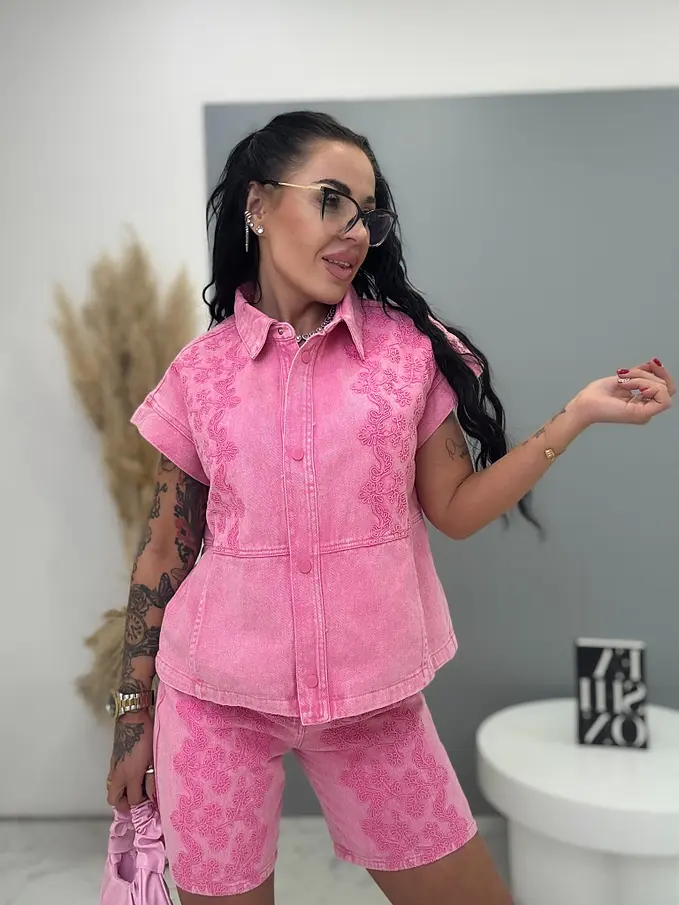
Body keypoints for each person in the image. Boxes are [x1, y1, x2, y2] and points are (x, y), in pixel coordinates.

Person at [105, 111, 674, 905]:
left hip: (372, 703)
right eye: (330, 200)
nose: (354, 232)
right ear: (258, 204)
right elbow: (166, 551)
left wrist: (575, 415)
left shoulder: (408, 354)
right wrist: (132, 716)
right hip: (212, 702)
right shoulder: (200, 373)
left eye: (367, 215)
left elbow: (457, 508)